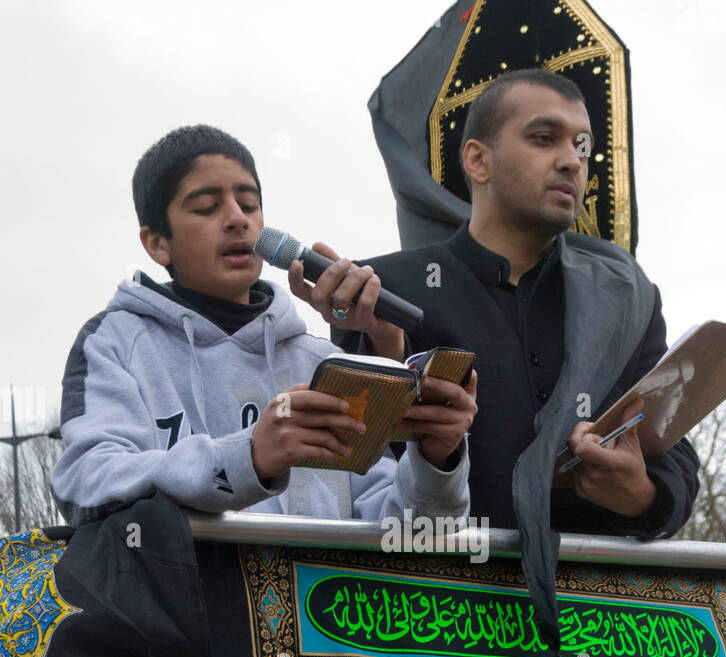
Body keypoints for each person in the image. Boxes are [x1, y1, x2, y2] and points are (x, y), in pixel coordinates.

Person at [330, 69, 698, 538]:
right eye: (545, 138)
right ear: (478, 161)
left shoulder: (626, 299)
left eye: (582, 146)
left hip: (597, 605)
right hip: (431, 602)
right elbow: (354, 469)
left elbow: (673, 451)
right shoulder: (386, 293)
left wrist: (643, 494)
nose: (571, 161)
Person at [52, 125, 477, 527]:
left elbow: (410, 533)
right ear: (156, 243)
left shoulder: (323, 364)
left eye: (249, 204)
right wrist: (248, 458)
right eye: (207, 207)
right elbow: (86, 484)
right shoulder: (115, 343)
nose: (238, 219)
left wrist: (437, 460)